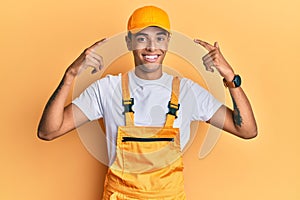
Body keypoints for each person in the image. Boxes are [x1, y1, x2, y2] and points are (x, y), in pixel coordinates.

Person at [37, 5, 257, 199]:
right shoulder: (107, 89)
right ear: (129, 41)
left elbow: (246, 130)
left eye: (159, 38)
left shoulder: (189, 92)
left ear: (168, 42)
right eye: (142, 38)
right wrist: (70, 76)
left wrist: (230, 78)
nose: (152, 47)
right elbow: (48, 131)